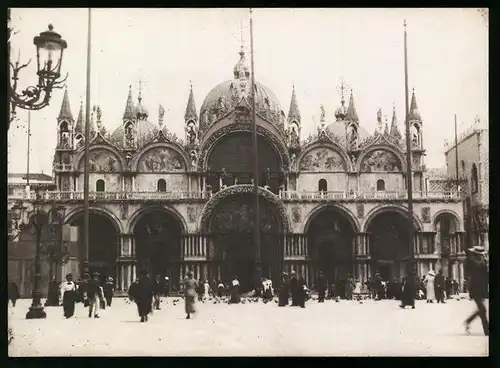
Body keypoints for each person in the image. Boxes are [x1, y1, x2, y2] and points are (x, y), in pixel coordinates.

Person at [464, 246, 489, 336]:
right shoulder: (472, 263)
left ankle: (468, 321)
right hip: (475, 290)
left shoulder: (483, 263)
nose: (483, 256)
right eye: (481, 255)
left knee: (481, 310)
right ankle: (487, 330)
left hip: (482, 289)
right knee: (482, 309)